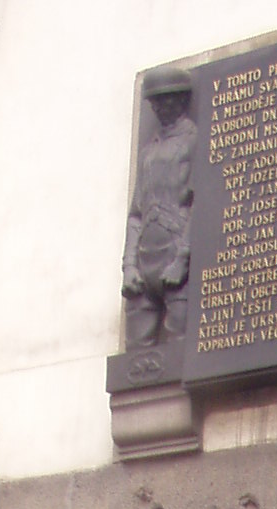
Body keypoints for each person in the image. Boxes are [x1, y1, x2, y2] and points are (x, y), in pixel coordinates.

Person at [122, 67, 197, 349]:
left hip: (175, 249)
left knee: (179, 350)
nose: (162, 107)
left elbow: (200, 203)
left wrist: (182, 259)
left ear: (181, 100)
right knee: (136, 357)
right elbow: (135, 214)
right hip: (145, 257)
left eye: (168, 100)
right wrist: (129, 265)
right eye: (157, 102)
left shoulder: (195, 141)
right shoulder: (148, 151)